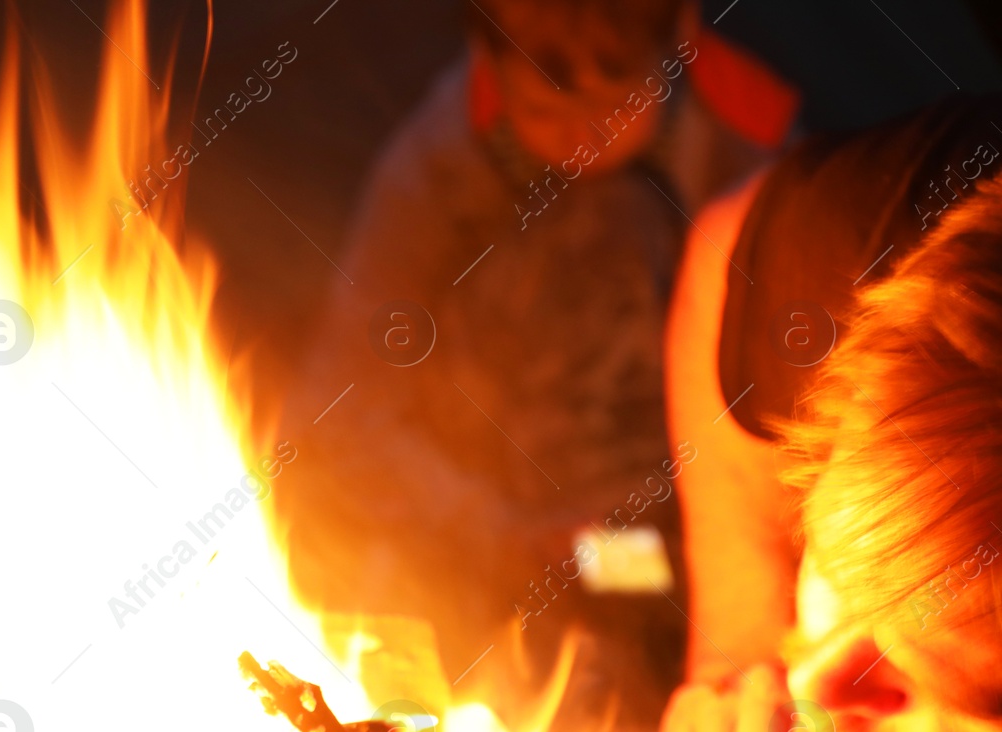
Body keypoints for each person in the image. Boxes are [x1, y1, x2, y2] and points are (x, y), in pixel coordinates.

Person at [282, 0, 796, 695]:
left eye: (613, 110)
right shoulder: (438, 166)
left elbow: (790, 388)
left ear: (675, 49)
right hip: (488, 514)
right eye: (544, 113)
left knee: (650, 575)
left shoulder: (743, 140)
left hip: (658, 527)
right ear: (488, 66)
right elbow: (344, 402)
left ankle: (644, 641)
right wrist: (490, 527)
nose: (580, 139)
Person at [656, 95, 1002, 732]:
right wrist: (740, 634)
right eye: (844, 574)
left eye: (927, 677)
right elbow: (729, 244)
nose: (817, 680)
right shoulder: (867, 230)